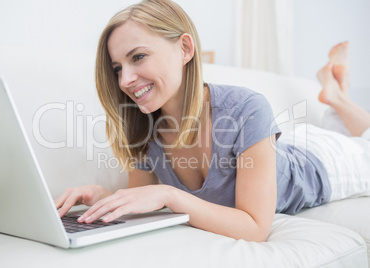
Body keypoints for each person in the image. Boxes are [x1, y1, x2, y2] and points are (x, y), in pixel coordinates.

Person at [54, 0, 370, 242]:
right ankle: (334, 98)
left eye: (138, 57)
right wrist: (102, 198)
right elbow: (142, 201)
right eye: (117, 68)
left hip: (319, 164)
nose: (125, 80)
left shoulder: (247, 108)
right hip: (282, 147)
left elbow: (255, 227)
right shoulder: (143, 130)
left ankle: (336, 98)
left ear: (185, 49)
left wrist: (170, 195)